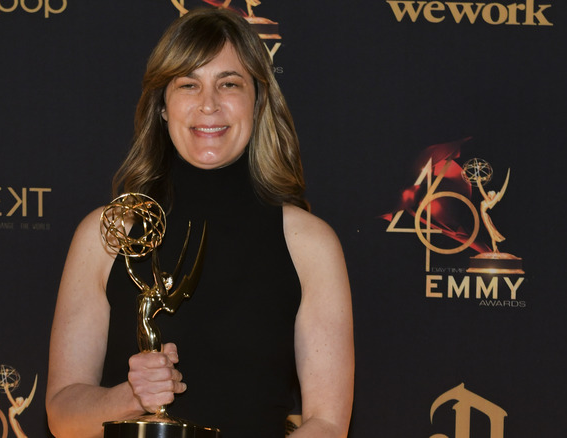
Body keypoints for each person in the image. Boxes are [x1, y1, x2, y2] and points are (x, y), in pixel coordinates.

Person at [46, 7, 353, 438]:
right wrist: (131, 397)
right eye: (188, 84)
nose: (208, 104)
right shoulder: (107, 235)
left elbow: (326, 423)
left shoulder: (309, 243)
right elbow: (61, 414)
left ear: (258, 100)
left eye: (229, 84)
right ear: (163, 107)